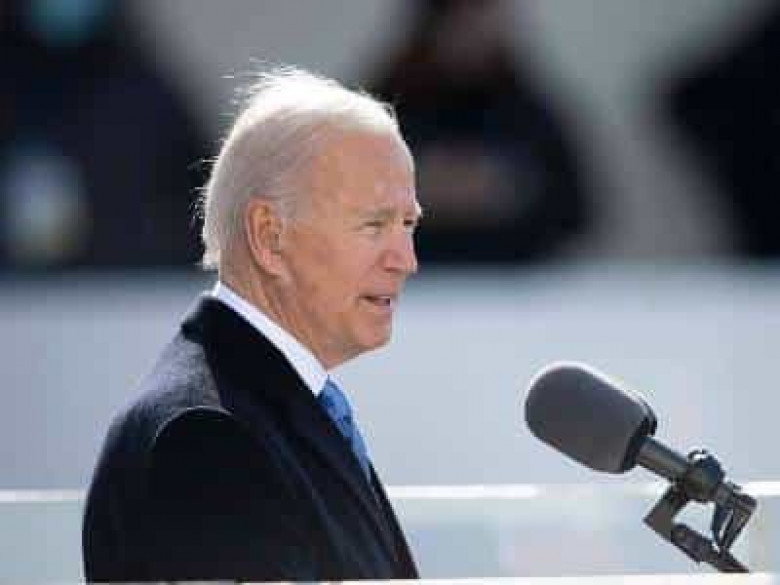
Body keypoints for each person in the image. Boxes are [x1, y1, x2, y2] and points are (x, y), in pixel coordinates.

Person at [82, 67, 421, 582]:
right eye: (373, 225)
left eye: (408, 224)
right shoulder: (206, 436)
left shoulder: (273, 405)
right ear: (269, 236)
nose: (405, 260)